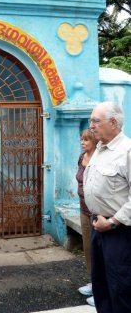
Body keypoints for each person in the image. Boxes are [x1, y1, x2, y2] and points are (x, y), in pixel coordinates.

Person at [84, 101, 131, 313]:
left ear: (113, 122)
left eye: (96, 121)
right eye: (91, 120)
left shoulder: (127, 151)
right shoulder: (101, 149)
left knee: (120, 288)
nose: (91, 125)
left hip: (119, 231)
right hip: (98, 226)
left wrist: (112, 222)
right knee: (101, 286)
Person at [76, 129, 98, 307]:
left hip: (98, 211)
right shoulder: (82, 157)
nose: (83, 142)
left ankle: (101, 290)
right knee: (88, 248)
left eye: (87, 139)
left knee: (100, 249)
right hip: (84, 209)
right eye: (82, 139)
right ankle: (93, 282)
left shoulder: (100, 158)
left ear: (95, 141)